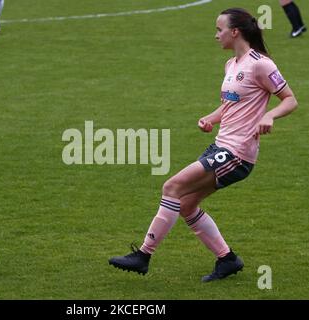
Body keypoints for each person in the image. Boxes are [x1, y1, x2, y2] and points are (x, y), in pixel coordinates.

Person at [109, 8, 298, 282]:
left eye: (219, 29)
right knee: (185, 204)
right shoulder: (231, 65)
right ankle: (227, 259)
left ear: (235, 32)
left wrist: (269, 115)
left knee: (172, 187)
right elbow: (231, 105)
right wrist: (212, 117)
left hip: (237, 152)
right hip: (221, 146)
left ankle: (143, 256)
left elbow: (290, 99)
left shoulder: (261, 64)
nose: (216, 35)